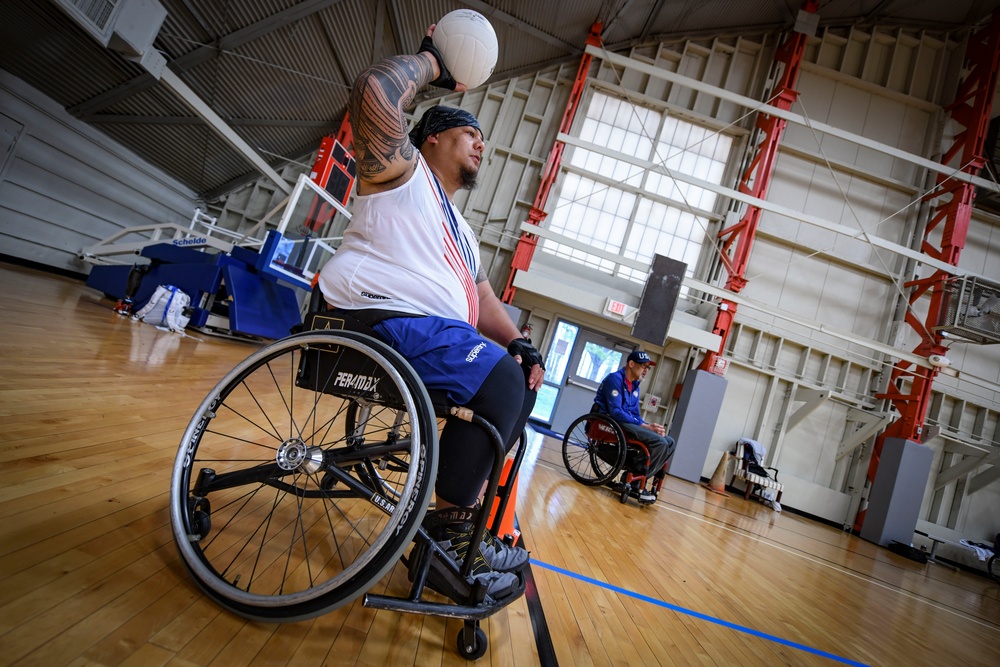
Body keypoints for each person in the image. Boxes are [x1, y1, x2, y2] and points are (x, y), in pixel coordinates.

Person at [316, 25, 543, 601]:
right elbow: (372, 90)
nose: (483, 146)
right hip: (381, 318)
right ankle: (448, 530)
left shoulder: (461, 228)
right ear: (434, 139)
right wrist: (432, 62)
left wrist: (518, 342)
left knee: (513, 376)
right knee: (501, 382)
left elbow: (483, 297)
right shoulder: (400, 173)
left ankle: (454, 524)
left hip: (426, 331)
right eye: (473, 133)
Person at [592, 350, 675, 502]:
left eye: (648, 368)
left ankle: (634, 477)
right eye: (644, 366)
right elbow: (616, 412)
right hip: (612, 421)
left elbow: (635, 414)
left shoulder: (635, 386)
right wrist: (644, 427)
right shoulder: (614, 379)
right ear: (631, 364)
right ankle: (633, 480)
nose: (646, 370)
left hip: (628, 422)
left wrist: (648, 425)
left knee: (669, 442)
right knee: (659, 443)